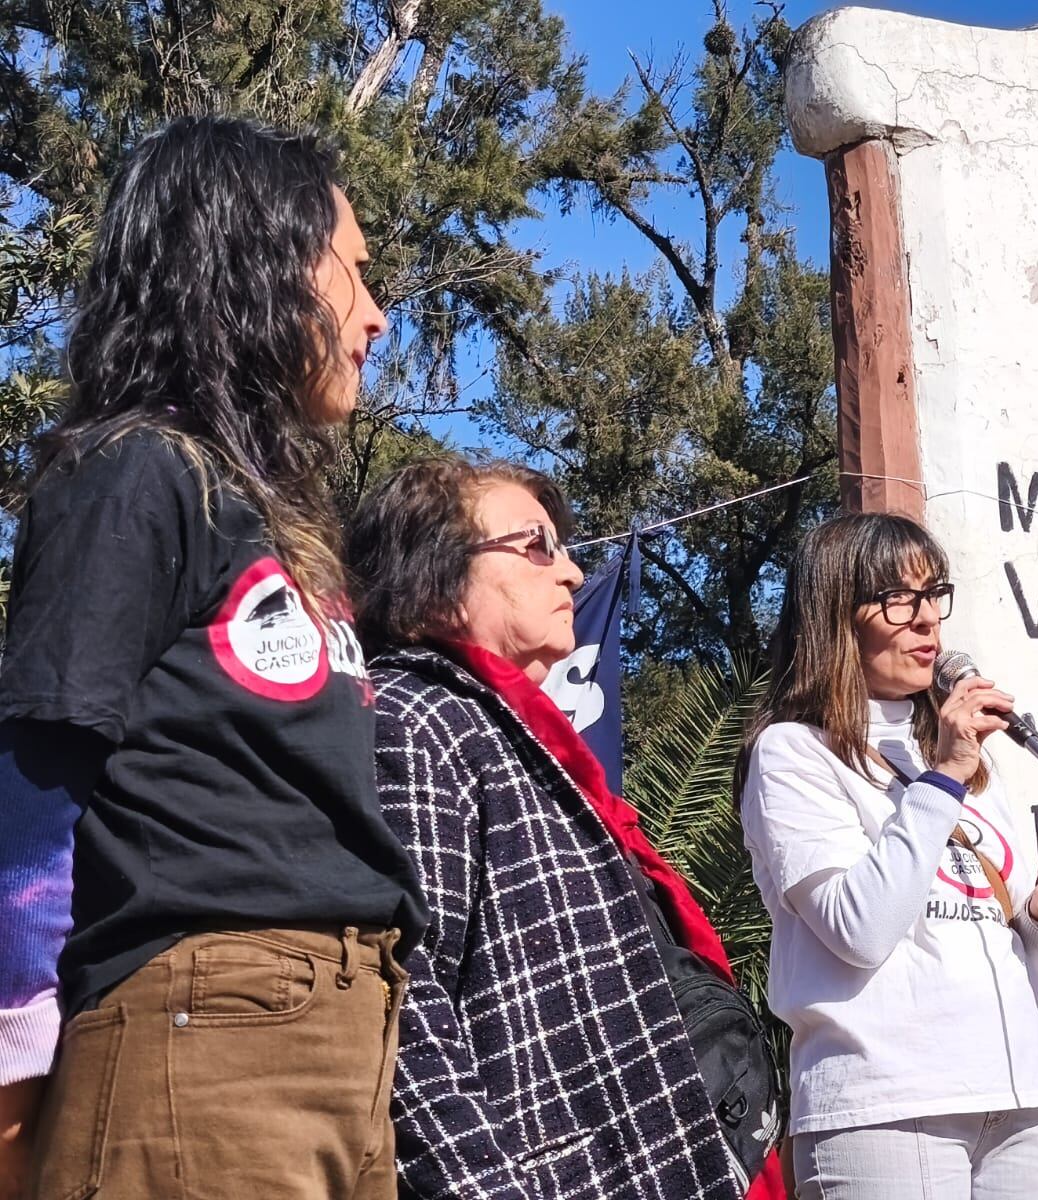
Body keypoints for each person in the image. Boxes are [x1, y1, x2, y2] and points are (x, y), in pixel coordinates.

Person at [0, 116, 427, 1199]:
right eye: (356, 275)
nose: (377, 317)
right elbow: (36, 790)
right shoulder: (135, 471)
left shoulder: (267, 508)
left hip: (344, 1031)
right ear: (261, 263)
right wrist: (15, 1075)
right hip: (205, 1024)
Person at [346, 456, 784, 1200]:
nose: (574, 575)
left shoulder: (518, 737)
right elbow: (404, 1016)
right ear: (433, 567)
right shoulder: (412, 719)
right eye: (537, 546)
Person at [738, 511, 1038, 1200]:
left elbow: (1018, 953)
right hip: (887, 1100)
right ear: (836, 613)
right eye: (900, 600)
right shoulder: (794, 751)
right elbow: (859, 928)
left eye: (934, 595)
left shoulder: (953, 753)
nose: (928, 621)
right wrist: (944, 777)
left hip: (1016, 1093)